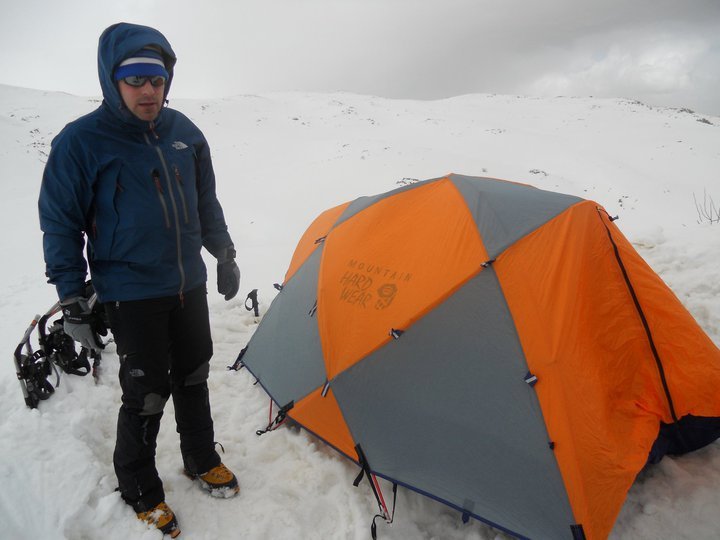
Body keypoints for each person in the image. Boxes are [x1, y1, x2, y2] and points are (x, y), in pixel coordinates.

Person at [38, 22, 241, 537]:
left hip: (187, 284)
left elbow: (205, 201)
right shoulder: (81, 142)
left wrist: (222, 252)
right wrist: (72, 296)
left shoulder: (184, 133)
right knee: (146, 393)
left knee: (193, 374)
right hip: (131, 292)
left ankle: (198, 457)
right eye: (135, 79)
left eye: (156, 78)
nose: (148, 90)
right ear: (113, 81)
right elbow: (61, 223)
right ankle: (138, 485)